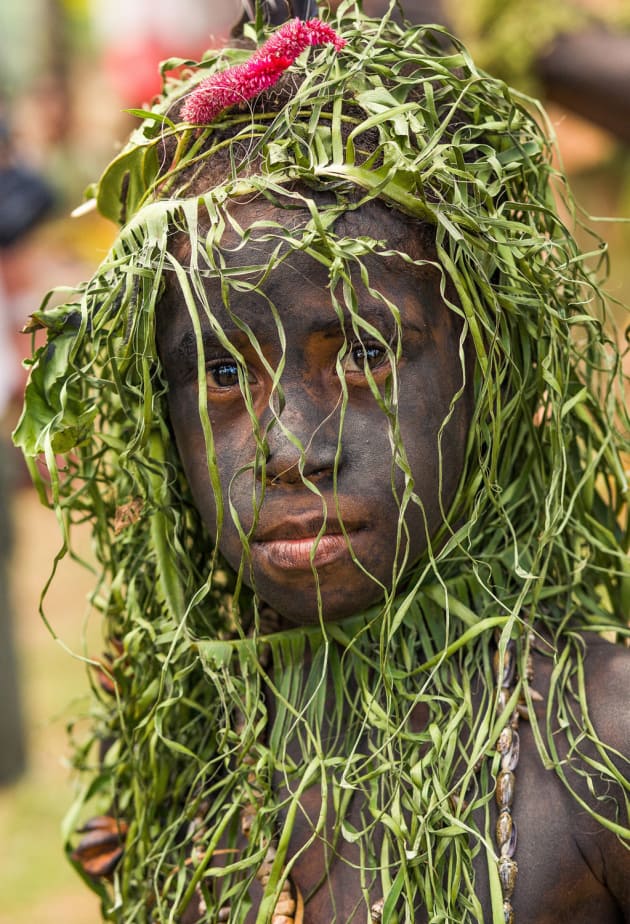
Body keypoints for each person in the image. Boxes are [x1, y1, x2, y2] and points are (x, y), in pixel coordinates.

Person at [14, 2, 629, 922]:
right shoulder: (190, 776)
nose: (291, 450)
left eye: (365, 356)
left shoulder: (602, 753)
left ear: (491, 371)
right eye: (222, 372)